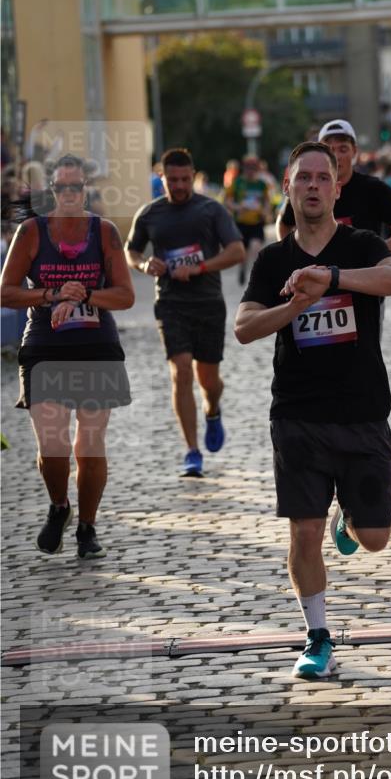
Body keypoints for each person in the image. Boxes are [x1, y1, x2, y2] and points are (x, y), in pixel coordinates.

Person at [235, 141, 391, 679]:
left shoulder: (359, 243)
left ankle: (353, 516)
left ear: (337, 188)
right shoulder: (273, 260)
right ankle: (317, 637)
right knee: (302, 534)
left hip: (362, 413)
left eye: (322, 178)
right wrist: (295, 304)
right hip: (297, 415)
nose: (312, 186)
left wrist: (332, 278)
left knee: (376, 540)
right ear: (287, 190)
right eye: (302, 178)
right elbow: (243, 328)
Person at [0, 154, 134, 558]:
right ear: (52, 192)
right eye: (62, 188)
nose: (70, 194)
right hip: (44, 345)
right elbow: (5, 291)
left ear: (86, 190)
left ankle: (87, 528)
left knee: (90, 444)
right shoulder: (31, 232)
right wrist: (52, 294)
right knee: (53, 446)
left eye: (77, 187)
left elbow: (126, 296)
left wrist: (86, 293)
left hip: (96, 346)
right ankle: (59, 505)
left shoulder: (104, 232)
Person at [126, 147, 245, 477]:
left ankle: (212, 409)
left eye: (184, 179)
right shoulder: (150, 214)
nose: (178, 186)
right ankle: (192, 451)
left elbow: (236, 251)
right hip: (170, 302)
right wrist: (144, 263)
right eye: (171, 180)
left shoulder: (211, 210)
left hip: (207, 302)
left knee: (208, 380)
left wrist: (200, 267)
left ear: (192, 177)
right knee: (180, 370)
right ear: (161, 178)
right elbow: (130, 251)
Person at [275, 120, 391, 257]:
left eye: (343, 149)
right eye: (330, 149)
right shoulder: (307, 188)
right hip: (317, 278)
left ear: (354, 151)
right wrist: (294, 255)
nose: (336, 156)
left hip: (362, 279)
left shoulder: (374, 189)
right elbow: (283, 223)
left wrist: (374, 253)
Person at [225, 155, 272, 285]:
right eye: (248, 168)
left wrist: (266, 212)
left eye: (253, 168)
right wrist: (238, 207)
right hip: (240, 223)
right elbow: (227, 201)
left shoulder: (262, 185)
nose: (251, 171)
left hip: (256, 223)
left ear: (257, 169)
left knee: (255, 247)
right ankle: (242, 268)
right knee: (243, 253)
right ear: (244, 168)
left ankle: (254, 273)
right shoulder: (237, 183)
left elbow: (267, 202)